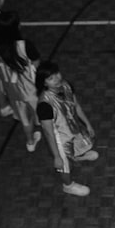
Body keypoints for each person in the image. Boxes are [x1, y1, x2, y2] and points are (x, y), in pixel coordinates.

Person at [35, 61, 97, 197]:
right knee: (63, 163)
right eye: (51, 78)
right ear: (44, 83)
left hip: (72, 127)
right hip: (59, 137)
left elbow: (76, 106)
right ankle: (68, 185)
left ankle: (77, 157)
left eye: (56, 74)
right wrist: (57, 156)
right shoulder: (45, 105)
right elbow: (49, 133)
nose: (57, 79)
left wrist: (87, 124)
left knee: (77, 145)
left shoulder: (66, 86)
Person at [0, 11, 42, 152]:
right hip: (29, 87)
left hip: (12, 89)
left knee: (24, 118)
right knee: (39, 111)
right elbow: (36, 63)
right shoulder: (24, 45)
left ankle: (30, 142)